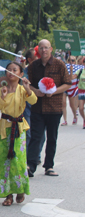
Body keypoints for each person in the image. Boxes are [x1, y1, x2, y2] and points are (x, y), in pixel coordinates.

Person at [26, 39, 71, 177]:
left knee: (52, 137)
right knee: (36, 137)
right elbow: (28, 84)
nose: (44, 50)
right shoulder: (33, 66)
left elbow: (67, 83)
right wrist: (35, 91)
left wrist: (54, 91)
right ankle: (31, 165)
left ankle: (49, 166)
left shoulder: (59, 64)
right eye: (41, 48)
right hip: (37, 107)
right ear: (37, 50)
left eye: (46, 47)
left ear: (51, 49)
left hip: (54, 107)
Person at [0, 62, 37, 206]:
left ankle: (20, 189)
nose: (11, 72)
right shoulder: (1, 90)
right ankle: (8, 194)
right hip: (4, 129)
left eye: (15, 70)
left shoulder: (22, 89)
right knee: (4, 161)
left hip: (18, 128)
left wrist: (28, 89)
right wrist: (3, 97)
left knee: (18, 161)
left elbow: (33, 100)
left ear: (20, 74)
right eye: (9, 70)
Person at [61, 55, 80, 126]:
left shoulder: (78, 69)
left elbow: (71, 78)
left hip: (72, 88)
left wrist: (71, 71)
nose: (71, 62)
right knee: (63, 103)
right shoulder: (64, 67)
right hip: (64, 87)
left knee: (72, 105)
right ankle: (65, 120)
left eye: (73, 60)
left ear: (75, 61)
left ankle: (75, 116)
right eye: (69, 60)